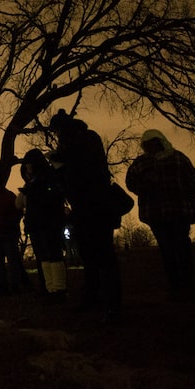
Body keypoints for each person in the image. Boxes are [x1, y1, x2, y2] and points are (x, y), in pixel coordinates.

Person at [49, 110, 122, 323]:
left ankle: (113, 305)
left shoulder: (86, 140)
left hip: (96, 205)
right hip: (81, 206)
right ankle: (93, 296)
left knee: (104, 256)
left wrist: (61, 159)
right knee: (89, 255)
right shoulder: (75, 145)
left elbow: (84, 166)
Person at [125, 129, 195, 299]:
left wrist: (194, 186)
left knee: (180, 246)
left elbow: (194, 180)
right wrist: (145, 185)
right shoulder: (142, 163)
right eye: (146, 144)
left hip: (178, 210)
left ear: (159, 141)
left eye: (151, 143)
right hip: (157, 213)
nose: (149, 147)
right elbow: (131, 183)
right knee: (168, 249)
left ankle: (186, 285)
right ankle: (176, 285)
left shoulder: (177, 158)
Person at [16, 149, 68, 302]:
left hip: (48, 222)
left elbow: (50, 200)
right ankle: (50, 288)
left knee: (53, 255)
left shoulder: (47, 179)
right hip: (37, 223)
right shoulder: (34, 182)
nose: (27, 168)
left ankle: (59, 289)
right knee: (44, 257)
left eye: (29, 165)